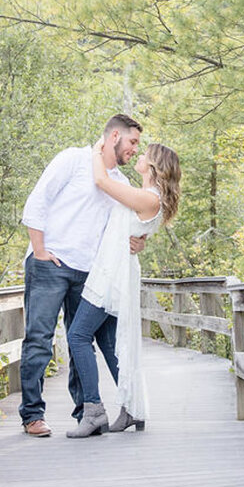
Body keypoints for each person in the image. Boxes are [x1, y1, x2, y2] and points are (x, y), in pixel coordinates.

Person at [17, 114, 146, 437]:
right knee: (39, 340)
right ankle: (33, 414)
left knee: (79, 343)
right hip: (51, 264)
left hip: (90, 273)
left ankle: (85, 414)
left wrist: (138, 240)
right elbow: (37, 202)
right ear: (114, 136)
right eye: (132, 142)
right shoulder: (73, 159)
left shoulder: (122, 182)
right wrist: (40, 250)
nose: (134, 150)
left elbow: (127, 228)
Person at [64, 140, 181, 438]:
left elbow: (101, 180)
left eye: (144, 154)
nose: (139, 156)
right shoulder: (145, 196)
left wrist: (95, 151)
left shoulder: (149, 198)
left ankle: (93, 411)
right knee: (111, 343)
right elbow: (131, 226)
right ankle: (133, 409)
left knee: (78, 336)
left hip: (111, 275)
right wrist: (140, 240)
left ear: (153, 166)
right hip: (114, 270)